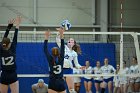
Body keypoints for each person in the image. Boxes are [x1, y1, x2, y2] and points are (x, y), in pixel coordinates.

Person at [56, 28, 83, 93]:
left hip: (69, 70)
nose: (70, 41)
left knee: (71, 89)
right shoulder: (63, 47)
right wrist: (59, 33)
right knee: (60, 88)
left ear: (74, 44)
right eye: (69, 40)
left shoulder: (74, 53)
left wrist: (81, 67)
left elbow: (76, 64)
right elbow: (57, 40)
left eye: (72, 41)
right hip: (61, 69)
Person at [0, 16, 21, 93]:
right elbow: (15, 36)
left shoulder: (1, 49)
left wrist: (9, 27)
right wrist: (17, 25)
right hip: (12, 75)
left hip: (4, 75)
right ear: (9, 44)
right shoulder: (13, 48)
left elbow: (4, 39)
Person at [44, 28, 66, 93]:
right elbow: (63, 47)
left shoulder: (50, 59)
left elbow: (45, 50)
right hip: (60, 82)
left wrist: (46, 37)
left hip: (52, 82)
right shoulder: (61, 58)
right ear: (59, 53)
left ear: (52, 53)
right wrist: (61, 34)